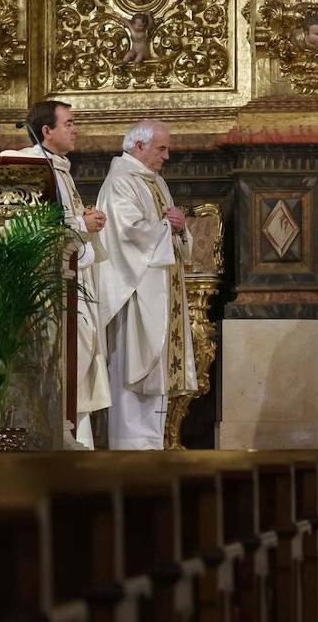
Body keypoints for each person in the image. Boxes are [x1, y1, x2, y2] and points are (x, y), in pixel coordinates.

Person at [96, 120, 196, 450]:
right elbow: (128, 234)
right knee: (132, 370)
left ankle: (153, 446)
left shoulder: (156, 182)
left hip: (160, 292)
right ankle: (130, 448)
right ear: (139, 147)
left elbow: (167, 228)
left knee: (156, 374)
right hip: (136, 294)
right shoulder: (121, 182)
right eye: (161, 148)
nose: (167, 156)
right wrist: (168, 227)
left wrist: (180, 229)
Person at [21, 100, 110, 449]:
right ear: (47, 130)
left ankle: (75, 439)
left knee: (79, 358)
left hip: (71, 279)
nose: (75, 129)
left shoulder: (60, 167)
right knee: (62, 359)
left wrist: (86, 222)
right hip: (48, 285)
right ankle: (59, 437)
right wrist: (79, 223)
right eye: (69, 123)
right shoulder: (31, 164)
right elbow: (29, 227)